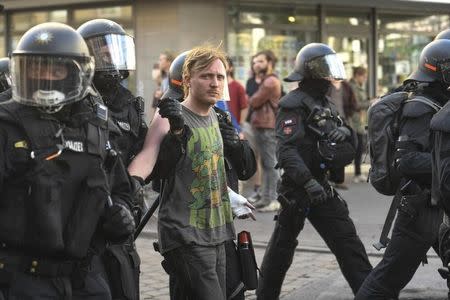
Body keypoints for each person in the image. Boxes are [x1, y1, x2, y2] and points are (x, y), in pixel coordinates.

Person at [0, 22, 135, 299]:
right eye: (36, 68)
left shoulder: (96, 123)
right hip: (22, 280)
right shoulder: (6, 124)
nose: (46, 77)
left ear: (77, 73)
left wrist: (121, 213)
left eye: (56, 68)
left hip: (85, 277)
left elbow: (120, 188)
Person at [256, 43, 373, 300]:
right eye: (323, 70)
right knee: (281, 250)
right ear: (309, 72)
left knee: (348, 245)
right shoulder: (292, 104)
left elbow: (342, 142)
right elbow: (286, 152)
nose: (328, 77)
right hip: (298, 190)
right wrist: (308, 183)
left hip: (322, 187)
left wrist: (348, 133)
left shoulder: (326, 102)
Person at [130, 45, 236, 299]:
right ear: (187, 79)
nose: (215, 83)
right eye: (206, 76)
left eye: (220, 77)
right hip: (185, 234)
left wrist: (234, 198)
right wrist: (131, 184)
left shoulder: (215, 116)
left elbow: (209, 168)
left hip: (218, 231)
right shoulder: (170, 115)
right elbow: (148, 155)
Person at [355, 39, 450, 299]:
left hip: (436, 205)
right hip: (419, 209)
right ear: (438, 70)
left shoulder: (439, 101)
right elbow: (406, 161)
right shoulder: (420, 107)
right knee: (387, 280)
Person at [77, 18, 147, 300]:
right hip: (85, 219)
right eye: (101, 48)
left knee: (125, 284)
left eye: (114, 48)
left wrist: (175, 137)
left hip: (122, 212)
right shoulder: (75, 98)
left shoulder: (129, 103)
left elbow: (145, 154)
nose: (109, 54)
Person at [248, 50, 282, 212]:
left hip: (267, 126)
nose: (256, 65)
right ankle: (266, 197)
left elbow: (254, 101)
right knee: (266, 163)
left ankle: (274, 199)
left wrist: (252, 98)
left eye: (260, 61)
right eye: (254, 62)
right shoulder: (266, 80)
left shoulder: (270, 82)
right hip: (263, 125)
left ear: (270, 63)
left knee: (271, 163)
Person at [327, 79, 358, 190]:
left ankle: (339, 179)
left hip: (344, 118)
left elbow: (353, 101)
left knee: (342, 146)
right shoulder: (327, 85)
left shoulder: (346, 86)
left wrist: (350, 112)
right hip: (330, 119)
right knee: (329, 146)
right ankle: (329, 177)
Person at [348, 66, 369, 184]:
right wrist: (370, 102)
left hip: (358, 121)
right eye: (364, 77)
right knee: (356, 148)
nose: (365, 79)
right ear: (358, 75)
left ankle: (358, 172)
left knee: (359, 148)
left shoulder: (357, 87)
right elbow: (356, 104)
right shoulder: (353, 87)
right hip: (354, 122)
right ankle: (357, 173)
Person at [226, 56, 248, 129]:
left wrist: (240, 126)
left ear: (231, 68)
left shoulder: (238, 87)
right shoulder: (215, 86)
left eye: (224, 65)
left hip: (233, 127)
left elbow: (244, 107)